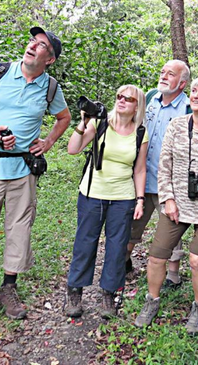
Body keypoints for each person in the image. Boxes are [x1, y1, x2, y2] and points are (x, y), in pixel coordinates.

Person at [0, 26, 71, 332]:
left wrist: (47, 142)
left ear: (50, 59)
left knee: (19, 229)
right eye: (32, 40)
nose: (32, 46)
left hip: (23, 170)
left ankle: (8, 288)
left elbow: (64, 118)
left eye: (41, 45)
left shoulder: (50, 88)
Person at [134, 75, 198, 333]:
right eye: (194, 91)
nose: (196, 96)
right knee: (156, 257)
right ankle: (151, 301)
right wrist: (168, 199)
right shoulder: (176, 125)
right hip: (176, 203)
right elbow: (164, 165)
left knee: (197, 260)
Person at [65, 85, 148, 319]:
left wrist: (140, 200)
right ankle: (74, 292)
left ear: (137, 106)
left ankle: (109, 294)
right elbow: (73, 149)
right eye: (119, 96)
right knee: (84, 243)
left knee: (117, 247)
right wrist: (83, 123)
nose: (121, 100)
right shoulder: (100, 123)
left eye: (128, 98)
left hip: (123, 198)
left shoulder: (140, 132)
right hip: (92, 194)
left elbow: (140, 169)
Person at [126, 59, 191, 289]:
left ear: (182, 83)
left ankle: (173, 276)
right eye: (163, 72)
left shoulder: (188, 108)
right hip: (142, 176)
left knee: (171, 227)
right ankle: (124, 262)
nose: (163, 76)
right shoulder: (150, 97)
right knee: (132, 223)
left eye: (170, 74)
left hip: (170, 182)